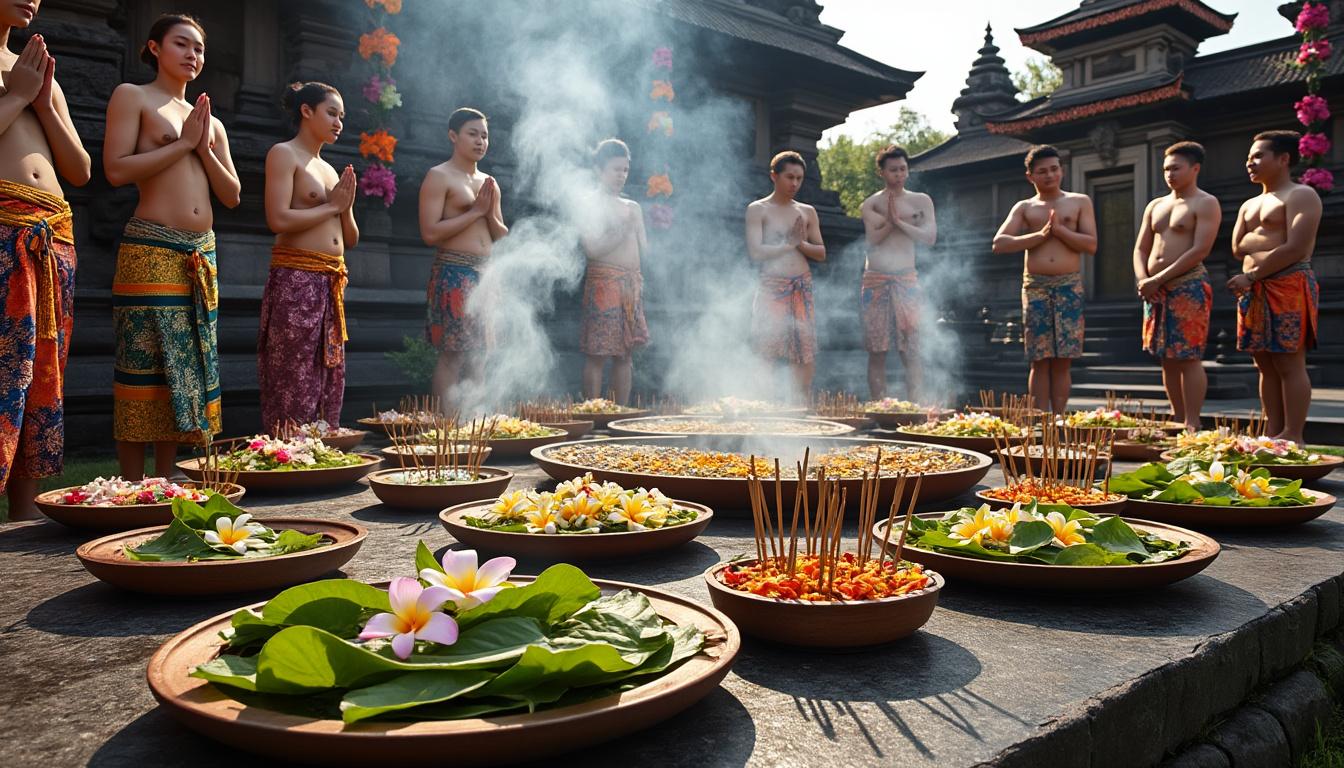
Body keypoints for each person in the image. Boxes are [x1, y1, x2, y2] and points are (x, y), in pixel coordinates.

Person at [104, 14, 240, 479]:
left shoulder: (210, 124)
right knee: (144, 363)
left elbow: (232, 194)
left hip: (201, 254)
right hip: (151, 248)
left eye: (199, 49)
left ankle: (164, 481)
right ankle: (130, 483)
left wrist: (201, 146)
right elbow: (117, 169)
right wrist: (182, 145)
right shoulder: (134, 97)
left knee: (185, 369)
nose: (192, 55)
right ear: (154, 48)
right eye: (182, 44)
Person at [0, 0, 91, 519]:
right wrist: (15, 97)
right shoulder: (22, 80)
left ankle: (24, 515)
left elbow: (79, 169)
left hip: (53, 237)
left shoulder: (37, 73)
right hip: (5, 230)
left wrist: (44, 105)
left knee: (40, 375)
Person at [258, 82, 357, 433]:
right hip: (297, 278)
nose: (338, 122)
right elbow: (278, 219)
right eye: (331, 112)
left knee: (327, 370)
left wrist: (343, 208)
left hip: (331, 281)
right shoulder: (284, 154)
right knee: (293, 369)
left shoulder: (330, 170)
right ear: (306, 111)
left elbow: (351, 237)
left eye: (342, 116)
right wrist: (332, 205)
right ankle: (288, 449)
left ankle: (319, 445)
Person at [1229, 130, 1322, 443]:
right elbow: (1237, 247)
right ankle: (1273, 431)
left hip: (1287, 283)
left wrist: (1253, 274)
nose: (1249, 163)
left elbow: (1295, 247)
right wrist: (1260, 251)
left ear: (1284, 159)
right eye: (1248, 157)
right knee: (1264, 363)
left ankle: (1294, 434)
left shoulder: (1301, 195)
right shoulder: (1248, 205)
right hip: (1253, 290)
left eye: (1258, 156)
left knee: (1288, 361)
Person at [991, 145, 1096, 413]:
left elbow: (1091, 244)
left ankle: (1059, 418)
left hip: (1068, 285)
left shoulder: (1079, 201)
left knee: (1063, 359)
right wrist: (1037, 237)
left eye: (1054, 169)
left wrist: (1059, 231)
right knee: (1039, 358)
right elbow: (1000, 243)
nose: (1049, 175)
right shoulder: (1025, 207)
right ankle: (1040, 419)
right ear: (1031, 176)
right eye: (1042, 171)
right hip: (1036, 286)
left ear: (1061, 170)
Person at [419, 107, 507, 409]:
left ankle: (475, 422)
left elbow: (499, 232)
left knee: (480, 353)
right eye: (473, 134)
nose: (480, 141)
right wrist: (474, 212)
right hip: (454, 272)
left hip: (484, 274)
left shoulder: (488, 182)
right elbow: (430, 233)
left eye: (484, 135)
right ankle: (447, 426)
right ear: (453, 136)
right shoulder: (439, 176)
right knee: (453, 353)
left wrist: (488, 210)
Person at [1132, 141, 1220, 431]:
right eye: (1166, 168)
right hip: (1155, 291)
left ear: (1195, 168)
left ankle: (1193, 422)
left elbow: (1200, 249)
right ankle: (1177, 418)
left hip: (1187, 285)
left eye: (1176, 168)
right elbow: (1140, 249)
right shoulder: (1156, 205)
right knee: (1166, 358)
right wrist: (1143, 279)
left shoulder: (1205, 202)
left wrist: (1158, 279)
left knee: (1188, 357)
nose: (1169, 174)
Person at [744, 151, 825, 401]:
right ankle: (763, 407)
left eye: (799, 178)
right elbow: (756, 252)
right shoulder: (758, 210)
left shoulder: (807, 211)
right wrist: (788, 245)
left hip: (802, 285)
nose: (795, 184)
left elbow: (821, 252)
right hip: (772, 286)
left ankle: (800, 407)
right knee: (766, 349)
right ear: (774, 176)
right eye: (789, 177)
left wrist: (799, 243)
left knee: (804, 349)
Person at [858, 144, 936, 401]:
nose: (899, 174)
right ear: (881, 172)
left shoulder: (921, 200)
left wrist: (900, 222)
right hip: (876, 279)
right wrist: (891, 222)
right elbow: (873, 240)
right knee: (876, 348)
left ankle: (915, 406)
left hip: (906, 278)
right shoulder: (871, 204)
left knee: (911, 348)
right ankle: (880, 406)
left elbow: (929, 237)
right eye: (893, 170)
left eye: (903, 169)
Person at [579, 138, 648, 404]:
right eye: (615, 169)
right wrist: (621, 231)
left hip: (631, 285)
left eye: (625, 170)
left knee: (625, 353)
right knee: (597, 352)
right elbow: (592, 249)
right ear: (599, 170)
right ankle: (593, 412)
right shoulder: (589, 203)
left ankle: (619, 413)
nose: (621, 175)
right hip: (603, 282)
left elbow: (644, 249)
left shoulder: (633, 208)